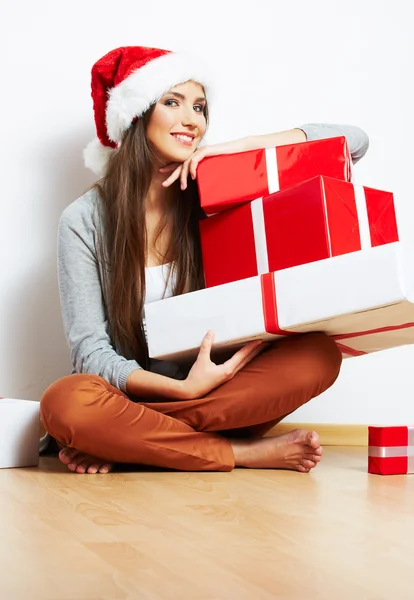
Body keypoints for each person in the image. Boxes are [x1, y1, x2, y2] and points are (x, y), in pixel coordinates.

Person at [40, 46, 369, 475]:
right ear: (135, 116)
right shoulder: (83, 220)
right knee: (66, 402)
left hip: (217, 392)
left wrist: (242, 148)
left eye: (199, 107)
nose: (192, 119)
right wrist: (178, 389)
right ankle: (237, 453)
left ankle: (133, 444)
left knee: (319, 354)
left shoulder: (217, 191)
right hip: (134, 396)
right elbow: (89, 351)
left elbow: (355, 142)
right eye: (172, 103)